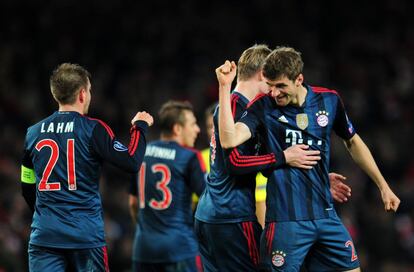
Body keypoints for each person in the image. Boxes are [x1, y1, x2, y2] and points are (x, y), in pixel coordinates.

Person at [216, 47, 400, 271]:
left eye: (280, 86)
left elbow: (352, 141)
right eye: (270, 85)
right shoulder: (262, 106)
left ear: (299, 79)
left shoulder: (329, 100)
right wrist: (225, 87)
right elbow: (229, 139)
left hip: (325, 216)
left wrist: (383, 185)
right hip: (285, 223)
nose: (274, 93)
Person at [195, 45, 352, 272]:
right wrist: (283, 157)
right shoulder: (235, 106)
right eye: (270, 83)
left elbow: (264, 160)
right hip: (232, 214)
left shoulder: (244, 110)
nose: (273, 92)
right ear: (262, 74)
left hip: (211, 214)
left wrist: (316, 180)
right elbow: (235, 163)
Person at [20, 63, 153, 272]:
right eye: (89, 90)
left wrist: (47, 215)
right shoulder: (93, 129)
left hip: (44, 236)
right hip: (84, 238)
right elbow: (131, 161)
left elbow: (27, 183)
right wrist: (140, 127)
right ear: (82, 94)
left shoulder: (32, 133)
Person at [128, 100, 206, 272]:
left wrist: (145, 229)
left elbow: (133, 203)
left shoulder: (140, 154)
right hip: (179, 249)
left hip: (143, 248)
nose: (197, 129)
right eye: (193, 124)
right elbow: (207, 200)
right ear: (177, 128)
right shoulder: (189, 157)